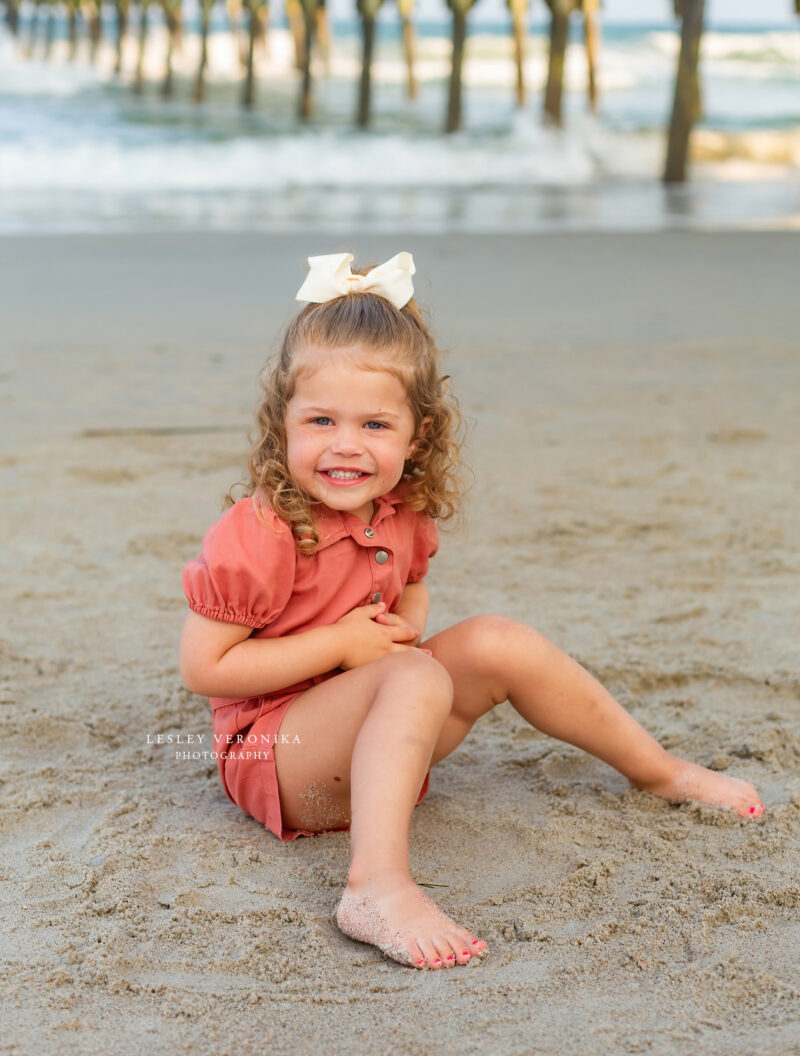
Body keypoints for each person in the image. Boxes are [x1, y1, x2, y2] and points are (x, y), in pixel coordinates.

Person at [179, 250, 765, 972]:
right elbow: (206, 668)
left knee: (496, 640)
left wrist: (406, 625)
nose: (345, 446)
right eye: (321, 420)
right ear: (283, 423)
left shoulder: (400, 512)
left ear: (417, 435)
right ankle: (376, 885)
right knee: (418, 680)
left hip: (377, 732)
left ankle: (656, 770)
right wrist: (341, 645)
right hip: (280, 760)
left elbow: (413, 586)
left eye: (375, 426)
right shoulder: (261, 531)